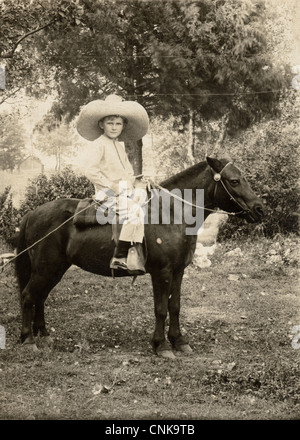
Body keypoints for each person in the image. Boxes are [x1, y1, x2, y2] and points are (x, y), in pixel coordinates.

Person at [76, 94, 149, 272]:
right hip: (107, 193)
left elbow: (128, 173)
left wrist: (138, 181)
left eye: (118, 123)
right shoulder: (99, 144)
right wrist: (112, 186)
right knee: (135, 211)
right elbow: (90, 170)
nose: (114, 127)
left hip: (124, 191)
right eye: (110, 123)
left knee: (148, 200)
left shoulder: (118, 145)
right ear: (102, 124)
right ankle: (119, 256)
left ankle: (139, 250)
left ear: (123, 126)